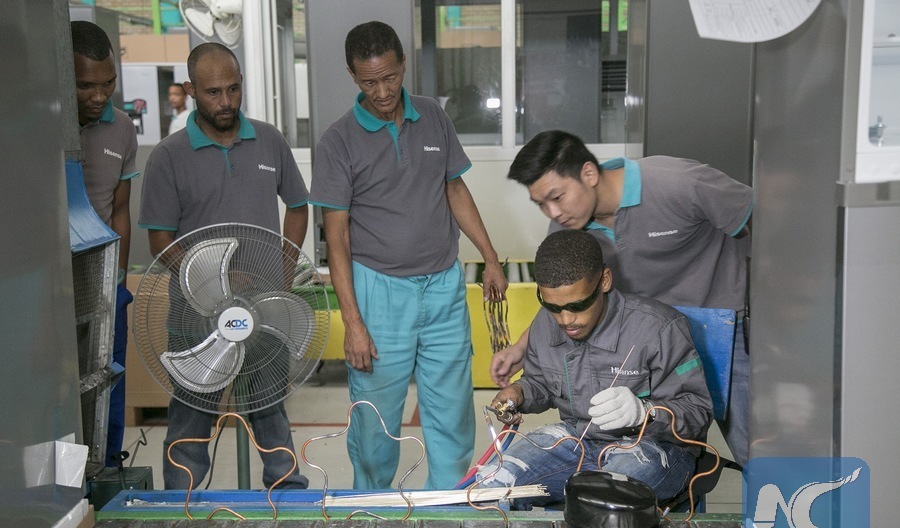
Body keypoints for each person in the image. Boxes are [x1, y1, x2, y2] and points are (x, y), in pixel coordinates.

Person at [309, 21, 507, 490]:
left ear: (403, 64)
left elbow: (454, 189)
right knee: (375, 421)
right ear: (352, 76)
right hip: (379, 292)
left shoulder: (432, 115)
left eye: (390, 77)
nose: (382, 92)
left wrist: (490, 256)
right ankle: (372, 504)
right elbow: (337, 240)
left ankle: (449, 504)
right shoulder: (338, 142)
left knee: (452, 412)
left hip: (443, 287)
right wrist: (353, 323)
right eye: (368, 82)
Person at [491, 130, 752, 466]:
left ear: (589, 173)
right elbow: (572, 301)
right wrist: (520, 348)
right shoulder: (567, 229)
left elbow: (766, 220)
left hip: (725, 334)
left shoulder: (678, 183)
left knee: (757, 452)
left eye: (557, 196)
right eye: (541, 203)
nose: (552, 212)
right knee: (660, 444)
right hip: (652, 348)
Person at [139, 42, 310, 490]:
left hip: (264, 311)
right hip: (196, 319)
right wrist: (210, 281)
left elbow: (298, 206)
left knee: (270, 411)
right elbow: (160, 240)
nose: (226, 102)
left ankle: (287, 494)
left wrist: (283, 270)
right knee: (192, 415)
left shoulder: (269, 140)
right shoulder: (169, 156)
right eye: (213, 92)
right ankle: (181, 503)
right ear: (191, 90)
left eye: (233, 89)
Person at [481, 230, 713, 507]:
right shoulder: (545, 324)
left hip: (655, 447)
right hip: (577, 442)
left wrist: (645, 413)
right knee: (491, 486)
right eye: (552, 306)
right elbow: (541, 382)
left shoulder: (659, 329)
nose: (566, 319)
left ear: (604, 280)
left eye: (578, 305)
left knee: (600, 502)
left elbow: (698, 412)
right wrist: (519, 392)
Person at [71, 21, 140, 467]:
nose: (100, 96)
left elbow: (120, 209)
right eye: (86, 86)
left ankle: (108, 464)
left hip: (103, 277)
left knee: (107, 376)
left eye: (108, 83)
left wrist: (118, 279)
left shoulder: (122, 129)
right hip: (49, 277)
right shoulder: (37, 126)